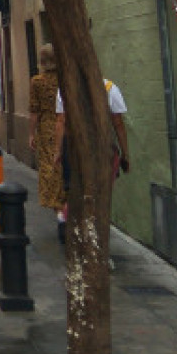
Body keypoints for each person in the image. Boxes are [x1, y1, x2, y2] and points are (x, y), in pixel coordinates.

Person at [53, 74, 131, 242]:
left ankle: (66, 219)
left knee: (75, 188)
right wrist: (125, 152)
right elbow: (118, 123)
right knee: (100, 189)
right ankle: (92, 230)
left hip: (73, 145)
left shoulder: (65, 88)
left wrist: (57, 151)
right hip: (101, 147)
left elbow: (61, 121)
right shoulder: (109, 88)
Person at [29, 45, 66, 224]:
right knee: (64, 165)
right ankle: (64, 203)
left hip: (47, 128)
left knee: (50, 167)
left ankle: (58, 207)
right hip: (66, 125)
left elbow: (34, 110)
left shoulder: (37, 82)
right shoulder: (65, 79)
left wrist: (31, 133)